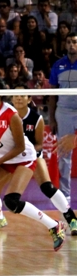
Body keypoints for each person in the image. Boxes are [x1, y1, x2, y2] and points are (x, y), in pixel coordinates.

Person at [0, 76, 66, 251]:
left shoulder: (10, 114)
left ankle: (54, 226)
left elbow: (20, 147)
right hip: (2, 157)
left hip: (23, 156)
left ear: (2, 91)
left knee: (12, 201)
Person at [0, 86, 77, 235]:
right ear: (11, 98)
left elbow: (39, 143)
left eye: (22, 95)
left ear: (29, 99)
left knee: (47, 187)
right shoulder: (4, 115)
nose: (19, 98)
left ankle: (71, 218)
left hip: (30, 156)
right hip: (9, 158)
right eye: (16, 95)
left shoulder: (35, 118)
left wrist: (26, 151)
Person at [49, 32, 77, 202]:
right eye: (69, 42)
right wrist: (52, 118)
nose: (72, 45)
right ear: (65, 45)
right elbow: (52, 94)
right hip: (64, 112)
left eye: (74, 42)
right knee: (65, 155)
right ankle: (65, 195)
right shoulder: (58, 65)